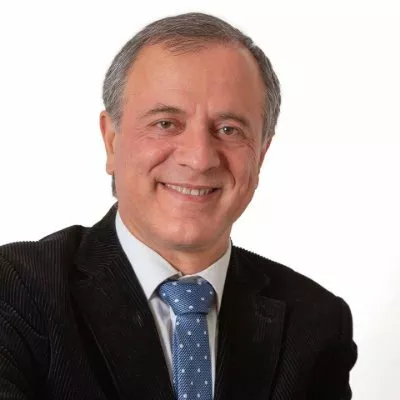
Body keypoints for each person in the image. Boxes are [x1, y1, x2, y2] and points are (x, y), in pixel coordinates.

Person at [0, 12, 357, 400]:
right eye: (166, 123)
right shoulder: (17, 290)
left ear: (262, 153)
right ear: (112, 141)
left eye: (229, 129)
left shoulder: (316, 323)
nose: (200, 158)